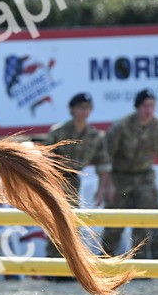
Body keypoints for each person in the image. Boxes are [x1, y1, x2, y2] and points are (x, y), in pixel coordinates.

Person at [100, 89, 158, 258]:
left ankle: (141, 262)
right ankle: (105, 260)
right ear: (137, 107)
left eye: (152, 105)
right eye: (145, 106)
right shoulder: (121, 126)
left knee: (145, 220)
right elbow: (106, 157)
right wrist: (108, 185)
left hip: (144, 176)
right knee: (115, 222)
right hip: (120, 176)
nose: (148, 110)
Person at [43, 92, 114, 261]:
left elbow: (103, 164)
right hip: (55, 178)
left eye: (88, 108)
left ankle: (70, 261)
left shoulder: (94, 135)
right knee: (57, 220)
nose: (85, 111)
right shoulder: (58, 132)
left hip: (74, 180)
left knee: (71, 221)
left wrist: (101, 190)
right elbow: (44, 160)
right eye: (81, 107)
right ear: (72, 109)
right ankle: (53, 261)